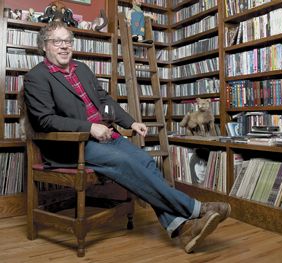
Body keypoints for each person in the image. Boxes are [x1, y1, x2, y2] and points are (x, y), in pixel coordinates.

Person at [23, 21, 231, 254]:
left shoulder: (81, 68)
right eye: (57, 42)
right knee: (126, 162)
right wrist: (89, 128)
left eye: (68, 41)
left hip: (105, 135)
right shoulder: (36, 78)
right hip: (72, 144)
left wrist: (130, 122)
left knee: (144, 160)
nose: (64, 47)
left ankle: (182, 227)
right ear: (44, 46)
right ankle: (196, 208)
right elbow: (45, 120)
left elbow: (105, 100)